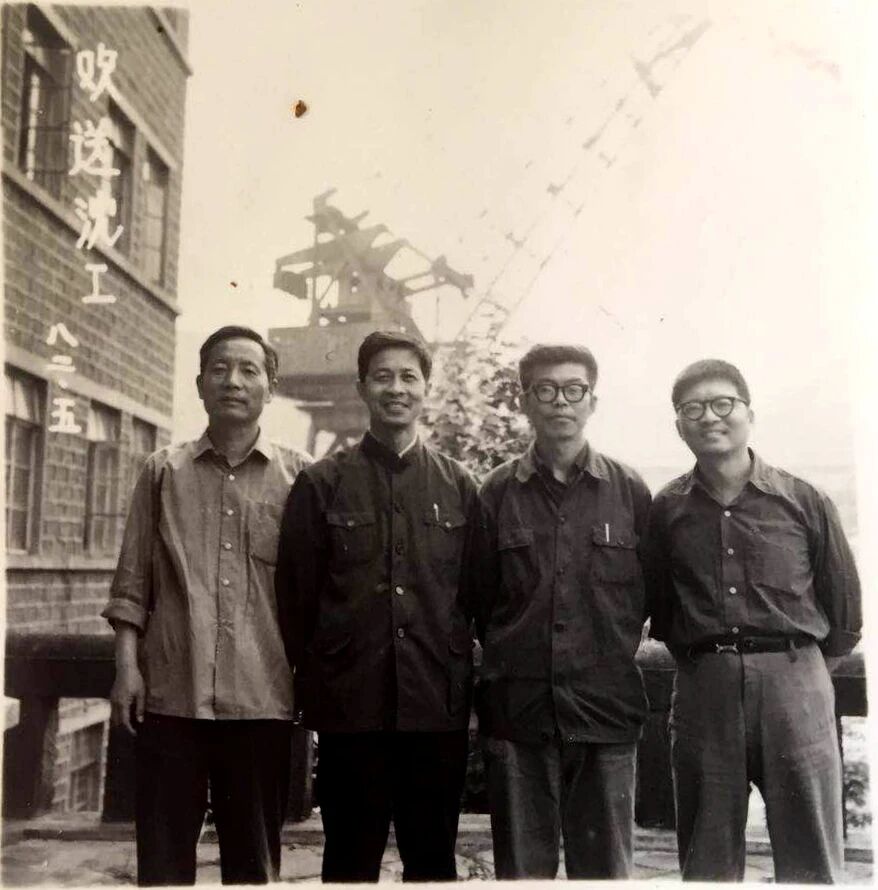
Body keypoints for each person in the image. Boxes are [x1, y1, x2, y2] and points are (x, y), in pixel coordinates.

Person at [103, 325, 310, 885]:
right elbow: (132, 584)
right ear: (199, 385)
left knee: (253, 866)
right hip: (172, 695)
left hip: (263, 698)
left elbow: (315, 594)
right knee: (163, 866)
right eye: (219, 369)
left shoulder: (302, 477)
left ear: (270, 386)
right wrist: (126, 669)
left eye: (248, 370)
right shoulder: (161, 472)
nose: (233, 381)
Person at [644, 358, 862, 883]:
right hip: (705, 690)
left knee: (811, 858)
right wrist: (710, 663)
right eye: (693, 408)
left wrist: (795, 671)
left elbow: (845, 612)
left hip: (796, 688)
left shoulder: (803, 500)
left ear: (749, 413)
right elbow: (662, 608)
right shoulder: (666, 509)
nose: (709, 417)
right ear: (678, 425)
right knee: (707, 860)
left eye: (723, 403)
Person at [275, 330, 478, 883]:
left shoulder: (459, 486)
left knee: (432, 864)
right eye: (383, 376)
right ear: (362, 387)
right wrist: (323, 681)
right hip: (351, 709)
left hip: (434, 708)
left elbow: (478, 593)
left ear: (426, 388)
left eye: (409, 377)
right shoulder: (321, 484)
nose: (396, 388)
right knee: (348, 862)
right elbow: (296, 599)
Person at [470, 343, 652, 879]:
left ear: (592, 401)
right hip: (519, 716)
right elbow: (479, 598)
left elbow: (651, 595)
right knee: (522, 875)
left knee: (606, 874)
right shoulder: (496, 493)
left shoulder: (629, 491)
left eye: (574, 390)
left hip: (605, 714)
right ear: (525, 401)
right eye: (546, 390)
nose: (561, 402)